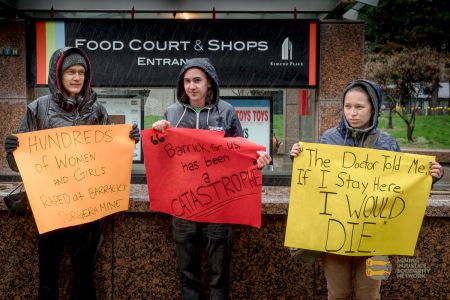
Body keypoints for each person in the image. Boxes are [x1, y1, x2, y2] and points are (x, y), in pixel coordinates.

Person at [3, 47, 140, 300]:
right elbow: (17, 164)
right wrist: (12, 151)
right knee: (48, 281)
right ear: (58, 74)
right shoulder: (37, 108)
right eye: (70, 72)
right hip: (51, 210)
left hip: (88, 211)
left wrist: (128, 141)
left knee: (85, 280)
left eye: (81, 72)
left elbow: (109, 156)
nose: (77, 77)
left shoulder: (97, 110)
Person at [290, 79, 443, 300]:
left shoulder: (388, 143)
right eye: (347, 106)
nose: (352, 113)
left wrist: (430, 178)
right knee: (337, 294)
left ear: (373, 108)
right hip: (334, 236)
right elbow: (313, 185)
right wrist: (299, 159)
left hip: (378, 239)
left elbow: (404, 190)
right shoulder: (328, 139)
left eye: (359, 107)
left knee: (370, 295)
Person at [152, 57, 272, 299]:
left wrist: (257, 160)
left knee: (219, 275)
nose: (191, 86)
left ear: (210, 83)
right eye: (186, 81)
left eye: (197, 80)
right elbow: (161, 157)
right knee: (188, 274)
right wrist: (158, 134)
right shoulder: (172, 113)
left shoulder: (226, 111)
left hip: (219, 205)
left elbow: (241, 151)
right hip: (183, 204)